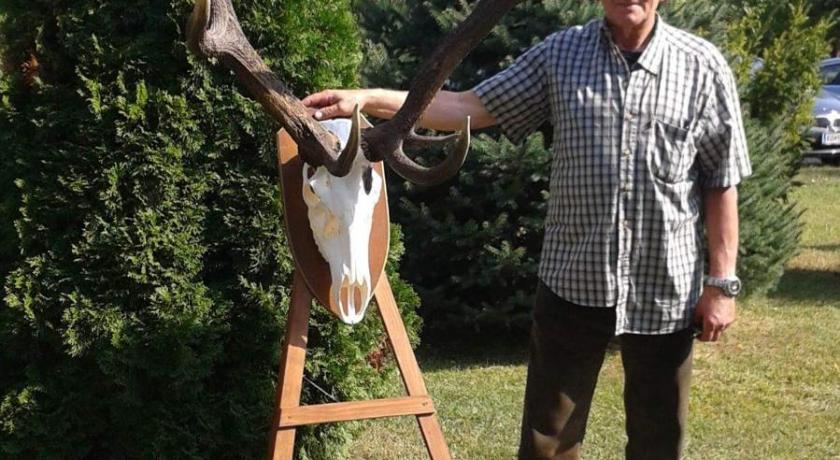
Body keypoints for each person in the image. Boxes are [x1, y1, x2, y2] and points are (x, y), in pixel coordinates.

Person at [303, 0, 751, 458]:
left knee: (659, 441)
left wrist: (722, 284)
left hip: (665, 287)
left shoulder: (701, 66)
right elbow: (468, 106)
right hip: (573, 282)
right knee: (546, 444)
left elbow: (721, 181)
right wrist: (367, 99)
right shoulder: (562, 55)